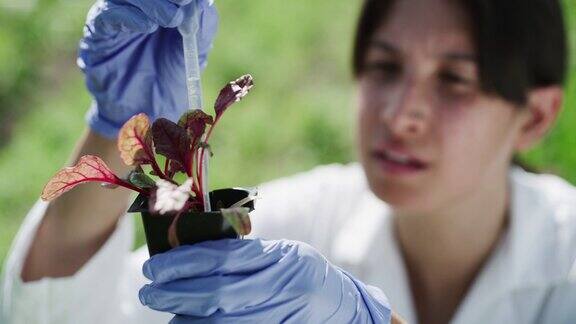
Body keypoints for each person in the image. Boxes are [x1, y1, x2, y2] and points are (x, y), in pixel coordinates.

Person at [1, 0, 575, 322]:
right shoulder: (300, 224)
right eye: (384, 67)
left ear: (534, 117)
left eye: (453, 79)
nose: (402, 114)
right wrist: (115, 127)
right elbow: (61, 316)